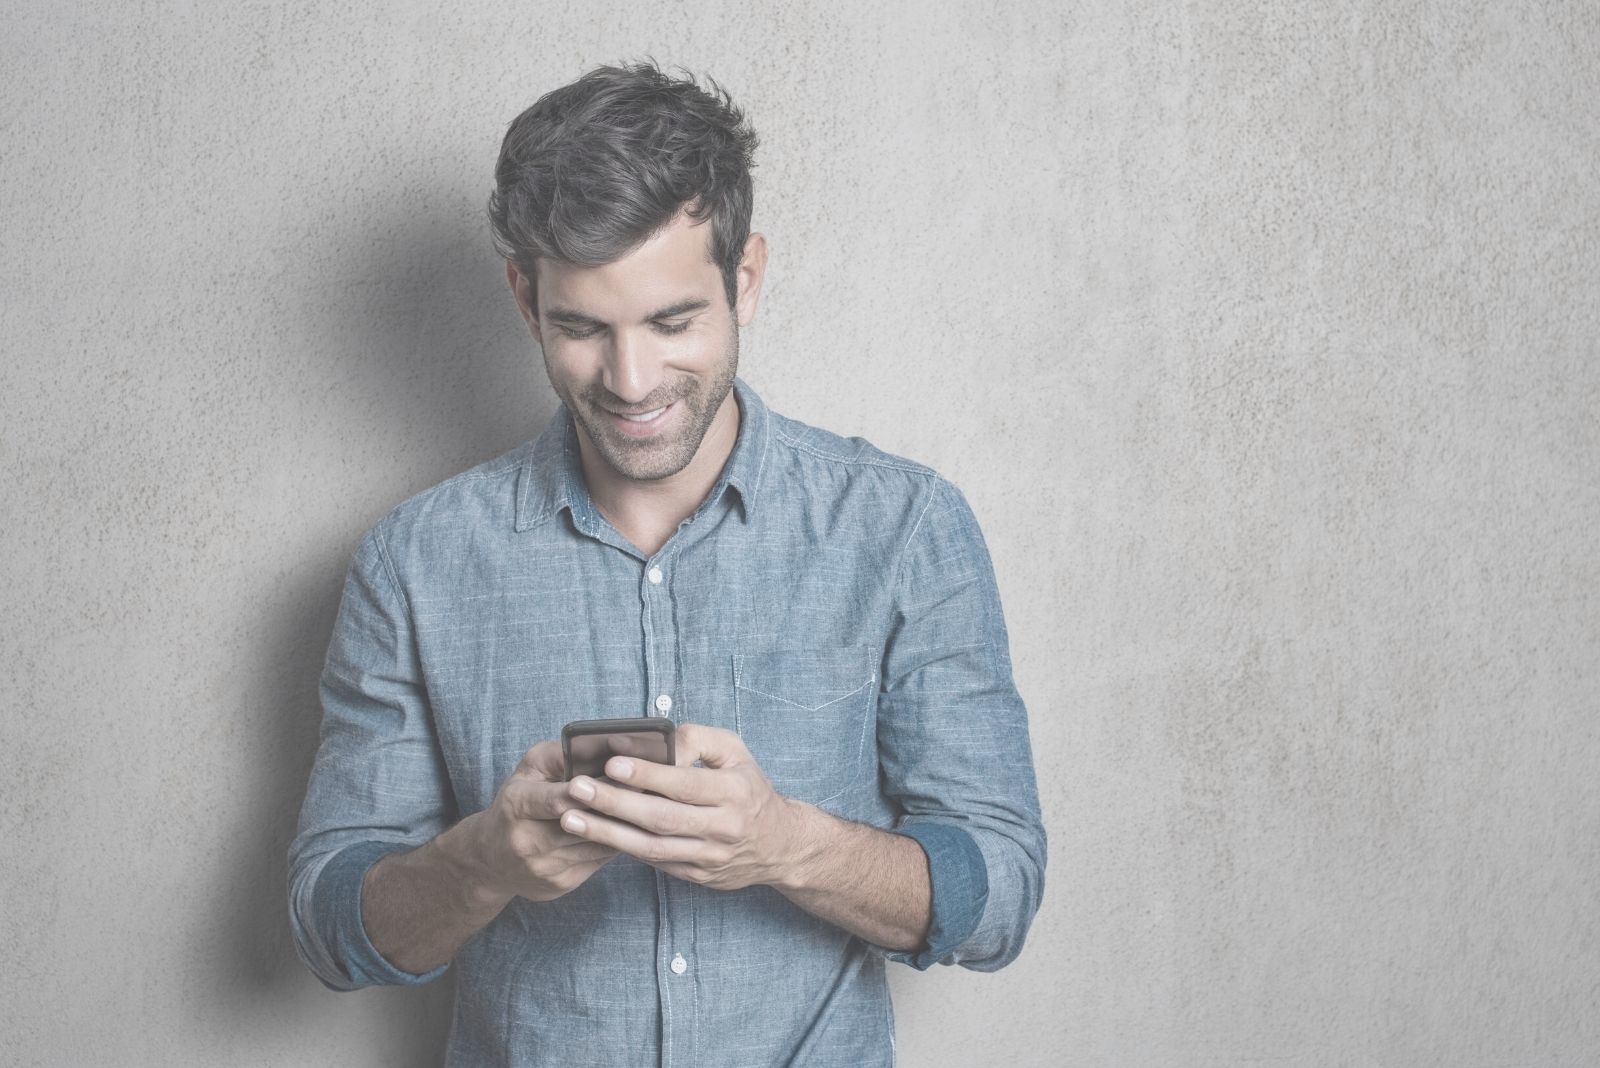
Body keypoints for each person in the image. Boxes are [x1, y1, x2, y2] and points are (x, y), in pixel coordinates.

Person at [288, 61, 1046, 1067]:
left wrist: (784, 844)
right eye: (581, 328)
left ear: (746, 279)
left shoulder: (904, 529)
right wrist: (484, 861)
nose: (630, 379)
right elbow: (333, 931)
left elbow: (997, 894)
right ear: (524, 299)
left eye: (672, 321)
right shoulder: (414, 563)